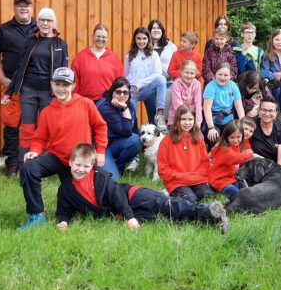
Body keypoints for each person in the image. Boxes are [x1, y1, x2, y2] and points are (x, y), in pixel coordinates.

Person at [55, 143, 229, 233]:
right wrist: (64, 221)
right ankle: (210, 222)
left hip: (132, 196)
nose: (81, 170)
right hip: (121, 214)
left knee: (165, 205)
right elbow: (64, 211)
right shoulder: (65, 189)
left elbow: (117, 196)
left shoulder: (100, 177)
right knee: (163, 217)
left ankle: (207, 210)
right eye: (77, 165)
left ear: (92, 165)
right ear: (70, 162)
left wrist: (129, 217)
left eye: (86, 166)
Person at [17, 67, 108, 231]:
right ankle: (37, 215)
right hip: (57, 157)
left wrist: (100, 151)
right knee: (29, 168)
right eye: (57, 84)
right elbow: (39, 138)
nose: (61, 88)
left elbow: (101, 126)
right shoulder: (47, 111)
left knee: (85, 204)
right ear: (51, 85)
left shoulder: (85, 104)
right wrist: (34, 151)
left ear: (73, 86)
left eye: (65, 85)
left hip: (80, 162)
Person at [4, 7, 68, 158]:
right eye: (42, 20)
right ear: (37, 22)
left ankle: (41, 165)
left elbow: (64, 71)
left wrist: (64, 94)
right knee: (27, 129)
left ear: (54, 23)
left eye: (48, 20)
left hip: (48, 92)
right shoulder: (31, 40)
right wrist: (9, 92)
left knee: (45, 129)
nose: (45, 23)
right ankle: (23, 164)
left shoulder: (61, 44)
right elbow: (20, 67)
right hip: (29, 91)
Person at [0, 0, 37, 176]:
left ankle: (32, 162)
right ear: (14, 7)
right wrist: (2, 79)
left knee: (34, 125)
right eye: (20, 5)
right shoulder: (3, 29)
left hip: (35, 86)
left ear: (31, 7)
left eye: (27, 5)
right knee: (11, 125)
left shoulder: (40, 28)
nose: (23, 8)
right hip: (12, 87)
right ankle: (12, 165)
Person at [157, 105, 214, 202]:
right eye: (183, 119)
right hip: (177, 181)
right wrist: (181, 176)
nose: (187, 123)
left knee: (207, 196)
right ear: (177, 120)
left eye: (190, 119)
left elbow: (205, 162)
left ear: (194, 120)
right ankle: (169, 193)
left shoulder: (198, 139)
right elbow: (163, 169)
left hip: (197, 179)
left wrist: (196, 176)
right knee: (190, 199)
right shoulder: (166, 141)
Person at [95, 77, 143, 180]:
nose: (122, 95)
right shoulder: (105, 107)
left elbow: (134, 130)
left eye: (125, 92)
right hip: (100, 146)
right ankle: (99, 165)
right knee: (113, 179)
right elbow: (126, 131)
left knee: (136, 140)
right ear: (112, 92)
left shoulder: (128, 104)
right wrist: (125, 109)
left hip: (114, 143)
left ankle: (119, 167)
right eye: (118, 92)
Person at [125, 27, 168, 132]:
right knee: (132, 119)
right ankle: (135, 136)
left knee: (161, 79)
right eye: (138, 38)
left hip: (147, 88)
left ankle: (160, 114)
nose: (141, 41)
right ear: (135, 40)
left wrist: (140, 84)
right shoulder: (129, 55)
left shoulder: (153, 55)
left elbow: (157, 74)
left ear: (148, 39)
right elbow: (125, 75)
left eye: (144, 38)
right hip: (132, 91)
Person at [70, 24, 124, 102]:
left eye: (103, 37)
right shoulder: (80, 57)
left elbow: (120, 82)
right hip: (85, 102)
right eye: (98, 36)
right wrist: (75, 100)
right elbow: (75, 81)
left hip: (107, 103)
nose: (100, 39)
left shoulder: (114, 59)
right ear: (93, 36)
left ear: (107, 38)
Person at [208, 120, 254, 199]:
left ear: (242, 136)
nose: (235, 140)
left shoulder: (237, 145)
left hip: (231, 178)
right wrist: (250, 153)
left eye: (238, 137)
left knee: (247, 191)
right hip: (219, 180)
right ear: (226, 136)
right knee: (239, 195)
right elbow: (235, 158)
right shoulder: (225, 149)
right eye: (232, 137)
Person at [203, 63, 245, 145]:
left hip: (230, 120)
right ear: (215, 74)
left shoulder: (233, 86)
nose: (222, 78)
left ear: (230, 76)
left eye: (226, 75)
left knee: (235, 137)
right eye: (220, 74)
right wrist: (211, 128)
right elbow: (207, 108)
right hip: (214, 121)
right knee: (214, 137)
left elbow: (239, 106)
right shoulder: (210, 86)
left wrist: (243, 123)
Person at [168, 59, 203, 129]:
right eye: (186, 72)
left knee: (199, 137)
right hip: (177, 119)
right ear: (181, 72)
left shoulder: (197, 85)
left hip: (192, 121)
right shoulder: (176, 84)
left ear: (196, 74)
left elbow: (198, 105)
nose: (189, 76)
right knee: (177, 137)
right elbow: (178, 106)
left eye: (192, 73)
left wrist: (197, 123)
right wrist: (185, 123)